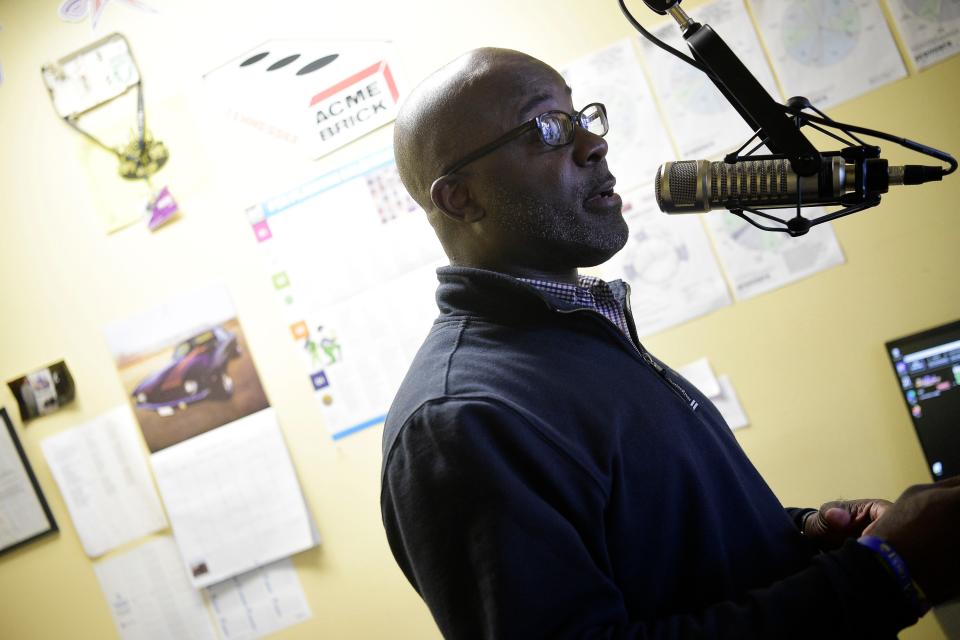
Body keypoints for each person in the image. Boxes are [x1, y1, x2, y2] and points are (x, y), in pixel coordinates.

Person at [380, 47, 960, 639]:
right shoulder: (458, 420)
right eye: (548, 129)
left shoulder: (582, 335)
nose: (592, 144)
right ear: (461, 197)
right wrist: (884, 574)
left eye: (582, 117)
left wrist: (806, 535)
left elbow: (667, 554)